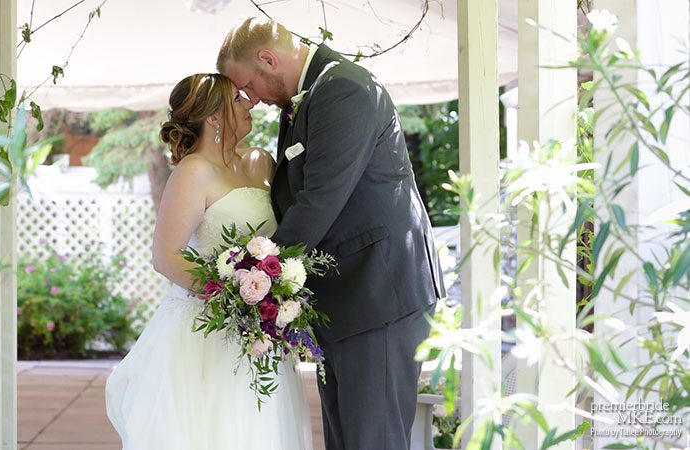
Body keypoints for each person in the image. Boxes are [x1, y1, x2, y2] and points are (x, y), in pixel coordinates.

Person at [217, 17, 446, 450]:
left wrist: (259, 276)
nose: (253, 99)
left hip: (377, 295)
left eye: (248, 85)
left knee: (372, 440)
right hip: (346, 302)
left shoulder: (346, 89)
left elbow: (319, 199)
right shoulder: (310, 96)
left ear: (269, 58)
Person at [104, 73, 313, 450]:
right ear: (214, 118)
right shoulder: (193, 171)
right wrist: (234, 300)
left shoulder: (261, 163)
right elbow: (165, 256)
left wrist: (268, 302)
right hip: (209, 328)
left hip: (260, 332)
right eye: (237, 100)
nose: (250, 103)